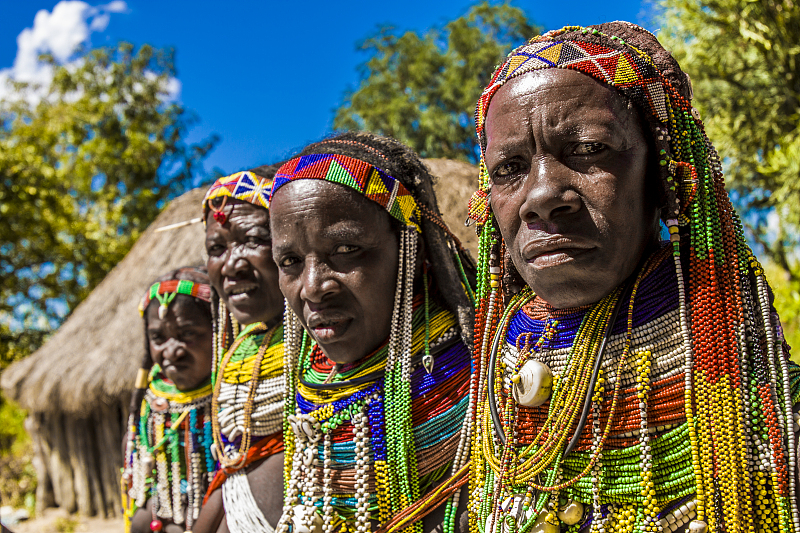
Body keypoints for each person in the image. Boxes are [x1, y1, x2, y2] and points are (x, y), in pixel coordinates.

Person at [467, 22, 800, 533]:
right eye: (509, 168)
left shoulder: (772, 413)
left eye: (589, 150)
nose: (540, 196)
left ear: (664, 172)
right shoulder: (484, 396)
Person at [268, 131, 476, 533]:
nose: (312, 286)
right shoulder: (304, 389)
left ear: (409, 252)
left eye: (346, 250)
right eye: (290, 260)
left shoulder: (489, 387)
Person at [194, 166, 286, 533]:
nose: (231, 265)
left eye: (252, 240)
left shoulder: (337, 350)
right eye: (217, 249)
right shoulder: (238, 351)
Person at [123, 267, 216, 533]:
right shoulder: (146, 407)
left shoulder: (237, 398)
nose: (172, 351)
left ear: (217, 329)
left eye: (187, 333)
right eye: (158, 338)